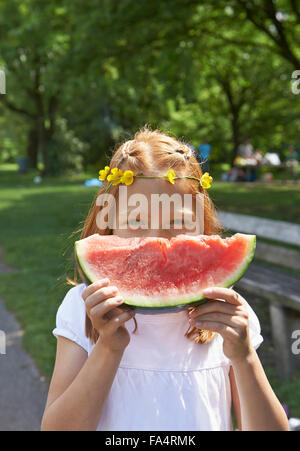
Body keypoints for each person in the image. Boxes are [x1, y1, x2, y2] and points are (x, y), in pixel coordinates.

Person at [41, 128, 289, 431]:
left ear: (203, 227)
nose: (156, 241)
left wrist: (245, 356)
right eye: (136, 222)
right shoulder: (82, 309)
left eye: (178, 223)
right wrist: (108, 347)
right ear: (107, 227)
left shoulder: (229, 316)